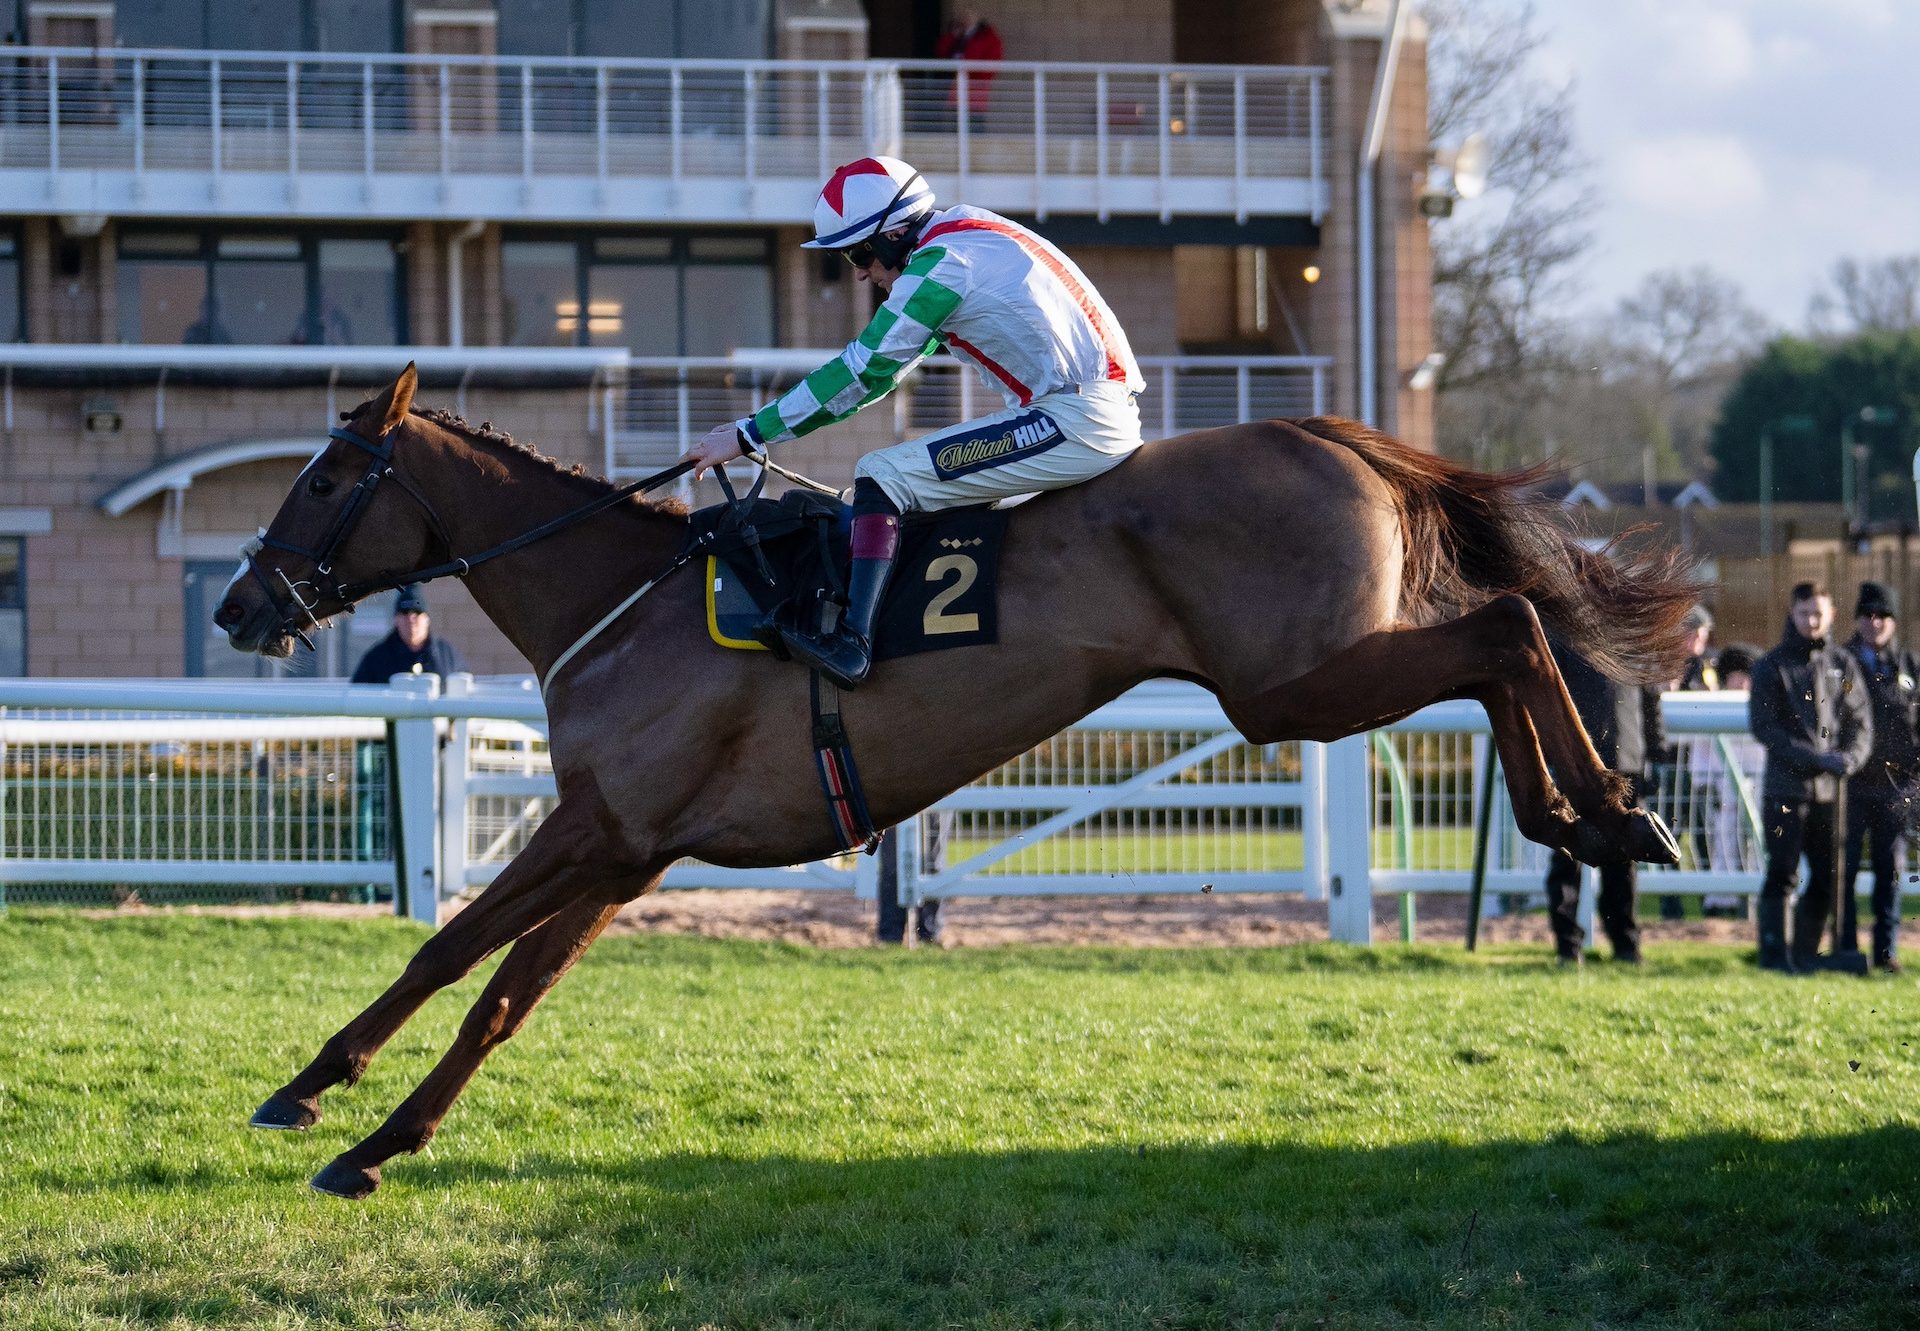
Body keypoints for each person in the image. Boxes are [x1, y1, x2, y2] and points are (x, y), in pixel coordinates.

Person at [686, 154, 1145, 690]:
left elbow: (864, 371)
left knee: (880, 474)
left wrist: (747, 434)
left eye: (861, 254)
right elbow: (885, 370)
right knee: (883, 494)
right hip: (1082, 408)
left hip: (1078, 419)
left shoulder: (943, 265)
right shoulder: (968, 230)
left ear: (896, 235)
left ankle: (852, 645)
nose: (860, 272)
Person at [1748, 582, 1872, 972]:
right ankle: (1773, 957)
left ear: (1831, 614)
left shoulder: (1842, 666)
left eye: (1819, 613)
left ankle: (1803, 955)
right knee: (1782, 873)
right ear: (1793, 613)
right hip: (1786, 789)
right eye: (1805, 613)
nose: (1812, 621)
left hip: (1830, 794)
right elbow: (1765, 729)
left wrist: (1851, 758)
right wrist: (1819, 759)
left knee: (1826, 877)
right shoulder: (1771, 667)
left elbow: (1859, 720)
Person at [1541, 636, 1664, 965]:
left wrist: (1656, 755)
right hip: (1578, 764)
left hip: (1625, 764)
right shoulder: (1564, 637)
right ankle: (1569, 946)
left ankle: (1625, 944)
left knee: (1624, 860)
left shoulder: (1633, 639)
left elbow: (1650, 698)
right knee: (1569, 855)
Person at [1841, 581, 1918, 972]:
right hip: (1849, 786)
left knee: (1890, 872)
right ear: (1857, 619)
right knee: (1846, 870)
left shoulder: (1908, 666)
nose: (1876, 622)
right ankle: (1848, 950)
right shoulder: (1839, 663)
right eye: (1868, 614)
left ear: (1894, 621)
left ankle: (1886, 953)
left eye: (1884, 615)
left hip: (1895, 789)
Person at [350, 584, 467, 684]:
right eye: (405, 613)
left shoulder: (447, 656)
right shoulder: (376, 659)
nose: (411, 619)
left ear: (427, 619)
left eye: (417, 612)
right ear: (396, 619)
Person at [936, 8, 1003, 131]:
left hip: (976, 86)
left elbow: (993, 61)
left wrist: (973, 70)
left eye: (969, 17)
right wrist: (953, 35)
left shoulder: (987, 35)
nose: (966, 20)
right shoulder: (957, 34)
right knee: (957, 126)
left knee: (975, 125)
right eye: (963, 18)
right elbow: (942, 51)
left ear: (976, 19)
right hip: (957, 86)